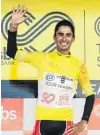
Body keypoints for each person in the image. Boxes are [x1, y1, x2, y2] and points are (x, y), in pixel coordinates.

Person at [7, 5, 95, 135]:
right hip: (42, 122)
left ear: (73, 39)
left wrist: (84, 121)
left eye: (68, 35)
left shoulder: (79, 65)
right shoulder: (42, 58)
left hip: (65, 124)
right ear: (54, 37)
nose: (64, 39)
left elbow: (90, 95)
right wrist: (13, 27)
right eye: (60, 34)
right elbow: (11, 52)